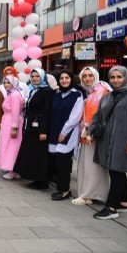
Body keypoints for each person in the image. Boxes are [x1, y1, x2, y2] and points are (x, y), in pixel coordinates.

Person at [88, 66, 127, 219]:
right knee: (116, 170)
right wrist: (90, 131)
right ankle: (124, 202)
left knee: (117, 171)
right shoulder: (108, 96)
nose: (116, 80)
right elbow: (98, 116)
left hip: (123, 140)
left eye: (119, 77)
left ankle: (111, 208)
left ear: (126, 77)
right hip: (107, 140)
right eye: (113, 77)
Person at [72, 67, 110, 205]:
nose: (87, 79)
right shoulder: (91, 92)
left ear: (95, 76)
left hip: (93, 135)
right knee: (87, 164)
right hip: (87, 134)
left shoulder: (101, 91)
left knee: (92, 166)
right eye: (84, 76)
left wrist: (90, 131)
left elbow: (99, 115)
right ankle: (89, 193)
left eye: (90, 76)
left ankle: (89, 194)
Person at [14, 68, 54, 189]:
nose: (34, 78)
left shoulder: (47, 91)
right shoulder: (33, 90)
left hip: (39, 129)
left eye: (37, 76)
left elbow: (47, 112)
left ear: (42, 77)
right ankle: (35, 178)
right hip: (31, 127)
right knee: (32, 153)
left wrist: (43, 131)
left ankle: (42, 181)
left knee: (40, 155)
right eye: (33, 76)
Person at [48, 70, 84, 201]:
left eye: (67, 78)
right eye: (62, 78)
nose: (64, 80)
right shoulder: (57, 95)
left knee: (64, 162)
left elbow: (75, 117)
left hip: (67, 133)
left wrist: (64, 132)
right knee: (57, 162)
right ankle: (61, 187)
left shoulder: (77, 95)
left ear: (71, 79)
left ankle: (65, 190)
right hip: (54, 132)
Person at [0, 76, 24, 180]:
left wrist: (14, 127)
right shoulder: (12, 94)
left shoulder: (15, 95)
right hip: (7, 121)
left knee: (12, 146)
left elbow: (16, 112)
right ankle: (11, 168)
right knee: (8, 145)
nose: (6, 84)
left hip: (11, 121)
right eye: (5, 82)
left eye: (9, 82)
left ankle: (12, 169)